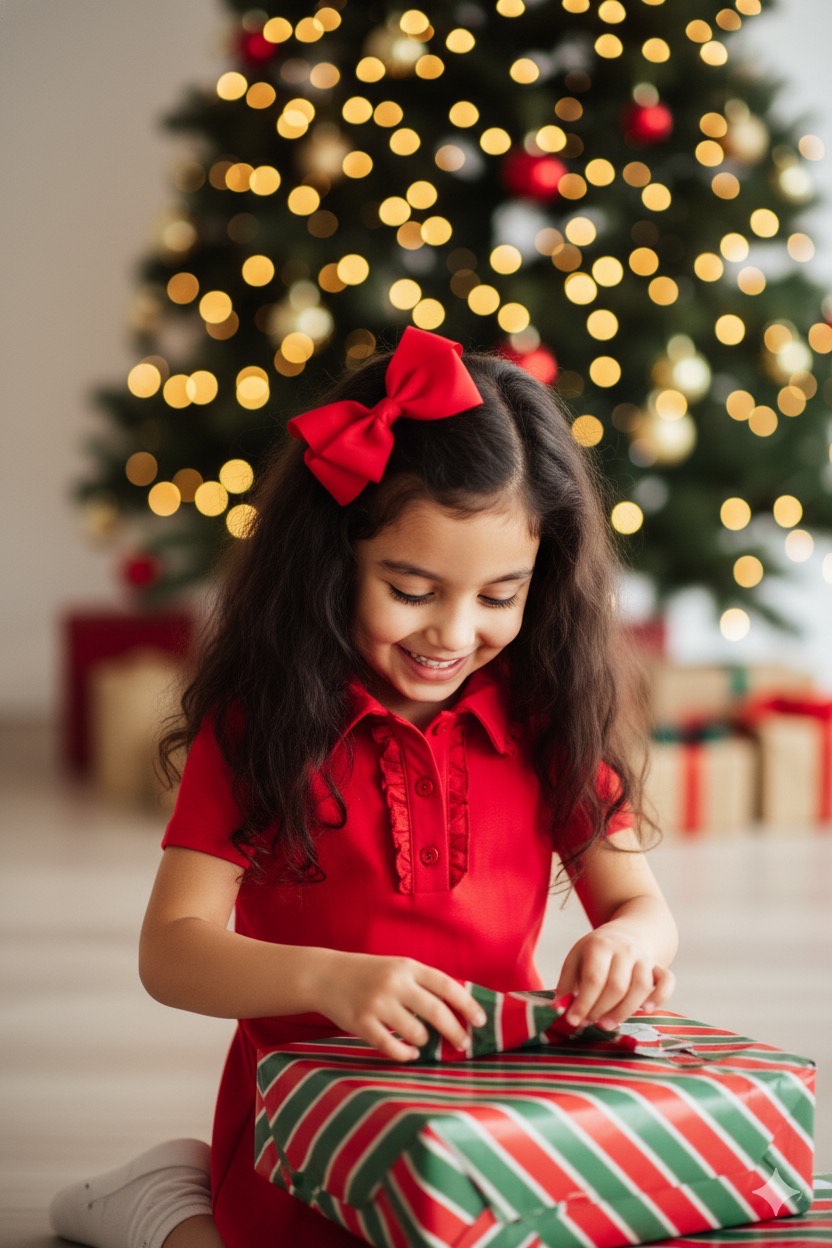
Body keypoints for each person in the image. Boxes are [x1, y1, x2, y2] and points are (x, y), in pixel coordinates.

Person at [50, 325, 678, 1248]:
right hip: (305, 1126)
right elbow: (170, 950)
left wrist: (628, 942)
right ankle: (163, 1201)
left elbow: (640, 905)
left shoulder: (552, 720)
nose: (454, 634)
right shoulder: (264, 726)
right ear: (333, 558)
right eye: (413, 589)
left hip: (490, 1112)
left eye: (499, 596)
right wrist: (330, 982)